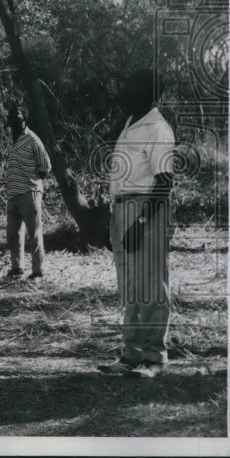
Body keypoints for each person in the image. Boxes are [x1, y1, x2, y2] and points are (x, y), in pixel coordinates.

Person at [98, 69, 176, 379]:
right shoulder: (132, 123)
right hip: (122, 210)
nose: (124, 88)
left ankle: (155, 359)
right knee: (129, 285)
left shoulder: (157, 128)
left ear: (145, 91)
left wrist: (141, 221)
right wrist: (115, 221)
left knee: (151, 285)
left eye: (130, 83)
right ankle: (130, 354)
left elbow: (165, 181)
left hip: (146, 210)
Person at [3, 104, 51, 280]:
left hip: (29, 193)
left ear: (24, 117)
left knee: (34, 234)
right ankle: (17, 269)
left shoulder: (32, 139)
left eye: (16, 113)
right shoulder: (12, 140)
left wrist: (32, 183)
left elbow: (45, 166)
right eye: (10, 114)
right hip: (13, 194)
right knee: (13, 235)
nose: (11, 116)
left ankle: (38, 272)